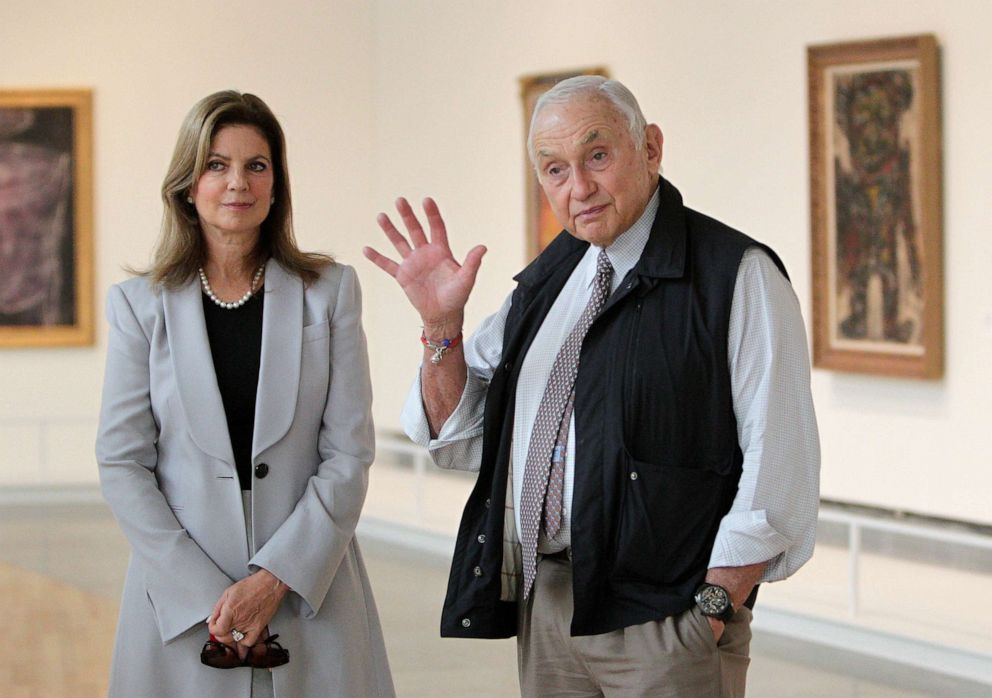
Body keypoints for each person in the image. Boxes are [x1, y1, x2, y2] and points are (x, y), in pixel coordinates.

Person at [364, 76, 819, 697]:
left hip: (668, 618)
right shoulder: (552, 277)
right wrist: (441, 325)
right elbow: (460, 432)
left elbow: (780, 463)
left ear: (651, 149)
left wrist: (711, 610)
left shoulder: (736, 275)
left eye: (597, 156)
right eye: (555, 170)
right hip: (547, 604)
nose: (578, 188)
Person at [96, 91, 395, 698]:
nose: (238, 182)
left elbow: (348, 455)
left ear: (277, 184)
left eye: (257, 165)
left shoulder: (330, 292)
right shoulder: (137, 306)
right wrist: (214, 594)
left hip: (312, 594)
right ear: (187, 183)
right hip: (181, 610)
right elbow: (123, 462)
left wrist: (274, 579)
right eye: (217, 164)